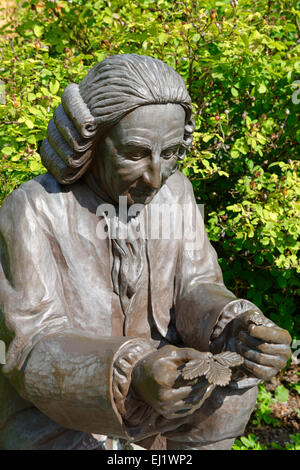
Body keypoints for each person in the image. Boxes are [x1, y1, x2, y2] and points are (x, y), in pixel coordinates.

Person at [0, 54, 291, 450]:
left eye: (170, 154)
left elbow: (197, 285)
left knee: (230, 395)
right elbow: (30, 344)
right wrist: (131, 370)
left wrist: (236, 326)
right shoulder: (34, 208)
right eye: (135, 154)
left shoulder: (176, 194)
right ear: (91, 141)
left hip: (166, 393)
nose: (155, 178)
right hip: (63, 410)